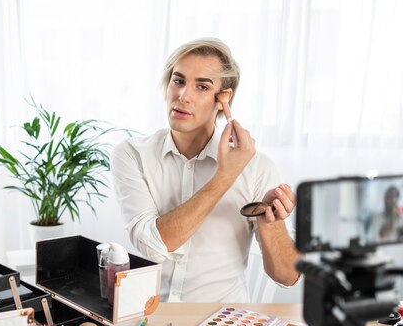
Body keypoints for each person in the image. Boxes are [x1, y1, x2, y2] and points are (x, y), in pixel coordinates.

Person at [110, 38, 301, 303]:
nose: (183, 96)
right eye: (178, 81)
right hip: (151, 316)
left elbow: (288, 276)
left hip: (224, 322)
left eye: (201, 86)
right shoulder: (132, 154)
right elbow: (155, 246)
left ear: (224, 99)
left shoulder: (257, 167)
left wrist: (270, 222)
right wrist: (225, 176)